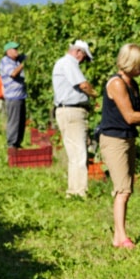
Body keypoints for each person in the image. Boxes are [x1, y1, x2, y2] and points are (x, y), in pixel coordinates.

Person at [97, 43, 140, 249]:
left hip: (127, 138)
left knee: (126, 189)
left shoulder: (132, 84)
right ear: (131, 63)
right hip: (114, 140)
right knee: (122, 190)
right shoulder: (116, 84)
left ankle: (118, 235)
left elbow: (138, 117)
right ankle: (122, 238)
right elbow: (131, 116)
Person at [52, 39, 97, 198]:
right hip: (73, 111)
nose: (83, 61)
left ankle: (73, 190)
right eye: (84, 57)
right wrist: (96, 96)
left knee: (74, 153)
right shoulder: (69, 63)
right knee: (79, 152)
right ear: (78, 52)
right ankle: (79, 191)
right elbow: (83, 85)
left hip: (66, 110)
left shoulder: (63, 63)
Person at [0, 41, 27, 148]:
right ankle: (11, 144)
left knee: (20, 121)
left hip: (21, 96)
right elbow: (13, 73)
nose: (17, 51)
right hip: (13, 97)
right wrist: (24, 63)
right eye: (15, 49)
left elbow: (27, 55)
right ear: (8, 51)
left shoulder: (16, 61)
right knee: (14, 121)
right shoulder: (5, 61)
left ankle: (18, 143)